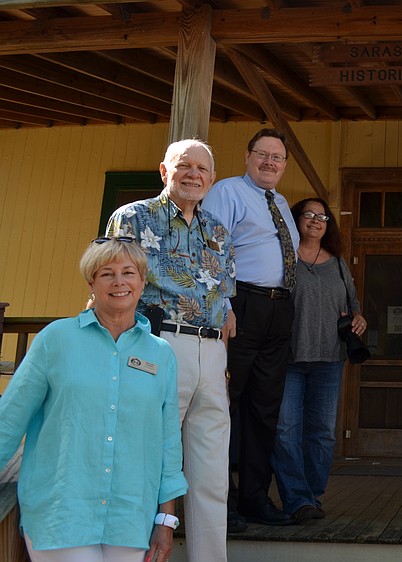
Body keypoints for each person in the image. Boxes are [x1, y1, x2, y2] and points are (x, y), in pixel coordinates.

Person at [0, 238, 187, 562]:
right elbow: (9, 420)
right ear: (91, 283)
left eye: (129, 272)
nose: (119, 282)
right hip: (60, 514)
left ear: (143, 282)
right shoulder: (55, 340)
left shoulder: (161, 354)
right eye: (107, 273)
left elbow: (169, 442)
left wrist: (165, 520)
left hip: (131, 518)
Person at [106, 139, 236, 562]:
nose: (194, 174)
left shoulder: (218, 229)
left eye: (202, 168)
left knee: (211, 475)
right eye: (184, 166)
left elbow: (224, 293)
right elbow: (113, 283)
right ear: (165, 171)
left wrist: (226, 321)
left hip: (212, 353)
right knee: (144, 460)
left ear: (212, 179)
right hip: (157, 346)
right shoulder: (132, 217)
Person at [203, 128, 300, 529]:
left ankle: (255, 498)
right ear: (248, 156)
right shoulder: (227, 192)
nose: (270, 162)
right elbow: (212, 251)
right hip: (240, 305)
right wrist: (224, 306)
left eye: (277, 157)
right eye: (263, 154)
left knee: (264, 410)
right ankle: (218, 502)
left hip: (278, 310)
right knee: (223, 404)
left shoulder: (280, 202)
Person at [271, 197, 367, 523]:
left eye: (322, 216)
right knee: (285, 430)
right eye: (309, 215)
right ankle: (297, 499)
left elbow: (354, 306)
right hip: (289, 357)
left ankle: (312, 495)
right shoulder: (282, 258)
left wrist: (358, 319)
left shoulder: (339, 263)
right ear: (296, 219)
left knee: (322, 433)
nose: (315, 220)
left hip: (329, 358)